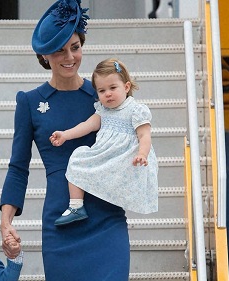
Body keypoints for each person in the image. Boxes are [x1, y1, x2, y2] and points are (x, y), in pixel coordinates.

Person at [0, 0, 130, 281]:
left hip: (106, 213)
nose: (69, 57)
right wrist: (7, 218)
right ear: (44, 55)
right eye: (59, 51)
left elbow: (133, 133)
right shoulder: (29, 102)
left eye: (75, 47)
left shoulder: (104, 93)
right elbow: (18, 166)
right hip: (61, 219)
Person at [50, 58, 158, 226]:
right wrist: (65, 135)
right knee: (78, 157)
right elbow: (87, 125)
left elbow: (144, 135)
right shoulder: (103, 110)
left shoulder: (135, 110)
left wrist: (142, 154)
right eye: (102, 90)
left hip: (125, 159)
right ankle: (76, 206)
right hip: (105, 156)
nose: (107, 94)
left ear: (126, 87)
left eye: (113, 88)